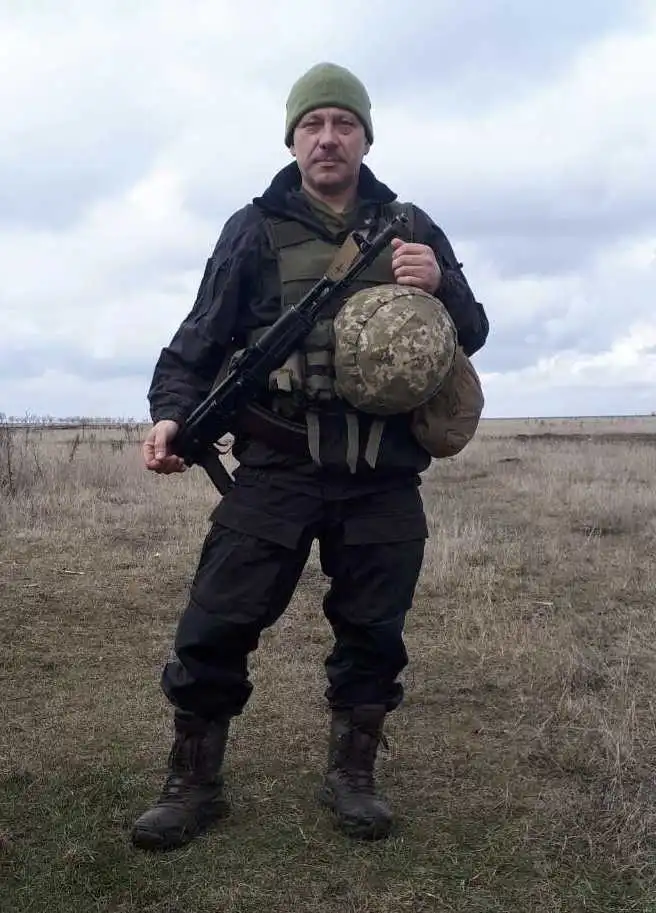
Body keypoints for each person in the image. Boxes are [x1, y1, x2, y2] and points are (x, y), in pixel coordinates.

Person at [132, 61, 489, 852]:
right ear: (293, 139)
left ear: (366, 137)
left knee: (374, 631)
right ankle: (193, 782)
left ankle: (352, 775)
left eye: (344, 124)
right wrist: (168, 415)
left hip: (383, 472)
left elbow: (474, 330)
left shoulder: (411, 225)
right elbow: (198, 338)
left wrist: (441, 284)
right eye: (313, 125)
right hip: (279, 466)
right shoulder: (252, 229)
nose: (328, 138)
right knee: (216, 621)